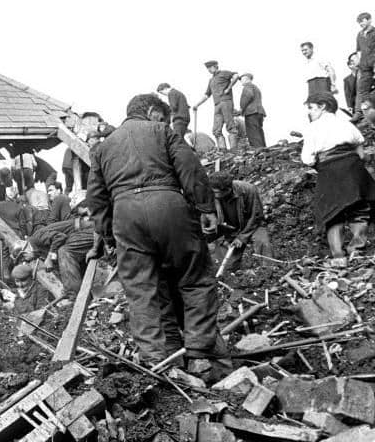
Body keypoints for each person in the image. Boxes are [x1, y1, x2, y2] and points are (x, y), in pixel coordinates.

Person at [86, 93, 228, 369]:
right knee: (195, 277)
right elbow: (190, 168)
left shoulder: (102, 149)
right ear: (152, 112)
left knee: (142, 288)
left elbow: (96, 198)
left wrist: (107, 235)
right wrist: (206, 207)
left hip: (126, 214)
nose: (164, 121)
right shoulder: (163, 131)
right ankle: (200, 352)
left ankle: (156, 358)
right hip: (168, 205)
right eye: (162, 116)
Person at [301, 91, 375, 267]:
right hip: (353, 169)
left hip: (330, 171)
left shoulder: (313, 128)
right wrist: (357, 158)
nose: (310, 112)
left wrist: (318, 165)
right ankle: (357, 250)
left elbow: (308, 159)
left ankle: (338, 256)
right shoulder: (346, 124)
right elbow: (360, 145)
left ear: (323, 107)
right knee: (359, 209)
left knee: (333, 213)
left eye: (311, 108)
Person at [207, 172, 271, 272]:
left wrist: (242, 237)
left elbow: (256, 216)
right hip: (231, 229)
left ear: (228, 189)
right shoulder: (210, 192)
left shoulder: (248, 190)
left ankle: (268, 271)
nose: (214, 195)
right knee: (225, 266)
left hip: (252, 226)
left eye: (217, 193)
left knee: (263, 243)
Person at [193, 61, 240, 151]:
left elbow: (236, 76)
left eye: (211, 68)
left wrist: (229, 88)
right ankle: (223, 150)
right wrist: (197, 104)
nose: (209, 70)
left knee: (230, 126)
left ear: (216, 66)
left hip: (226, 102)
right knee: (216, 130)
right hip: (217, 105)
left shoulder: (224, 73)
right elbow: (207, 95)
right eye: (208, 68)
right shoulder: (211, 80)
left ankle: (234, 150)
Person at [235, 73, 267, 148]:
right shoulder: (255, 87)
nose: (241, 81)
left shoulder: (248, 86)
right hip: (259, 112)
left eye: (241, 79)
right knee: (259, 131)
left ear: (247, 79)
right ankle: (263, 149)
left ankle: (258, 150)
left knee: (253, 133)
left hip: (251, 113)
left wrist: (241, 109)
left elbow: (248, 95)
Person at [355, 13, 375, 119]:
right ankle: (362, 111)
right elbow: (358, 50)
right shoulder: (360, 34)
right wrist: (359, 61)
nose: (361, 24)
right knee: (362, 88)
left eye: (363, 21)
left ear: (369, 20)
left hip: (374, 62)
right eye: (359, 22)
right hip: (364, 66)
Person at [345, 52, 360, 117]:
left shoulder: (363, 74)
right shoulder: (347, 79)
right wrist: (349, 106)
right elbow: (347, 94)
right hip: (355, 105)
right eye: (351, 62)